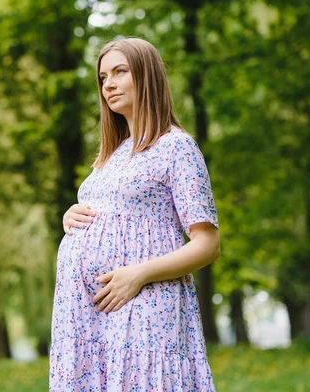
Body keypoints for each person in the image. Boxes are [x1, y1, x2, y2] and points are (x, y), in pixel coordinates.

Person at [49, 37, 221, 391]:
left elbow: (207, 244)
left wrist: (139, 274)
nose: (108, 84)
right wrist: (72, 217)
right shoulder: (112, 155)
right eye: (102, 77)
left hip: (144, 308)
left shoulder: (176, 147)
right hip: (88, 320)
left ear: (146, 76)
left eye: (119, 72)